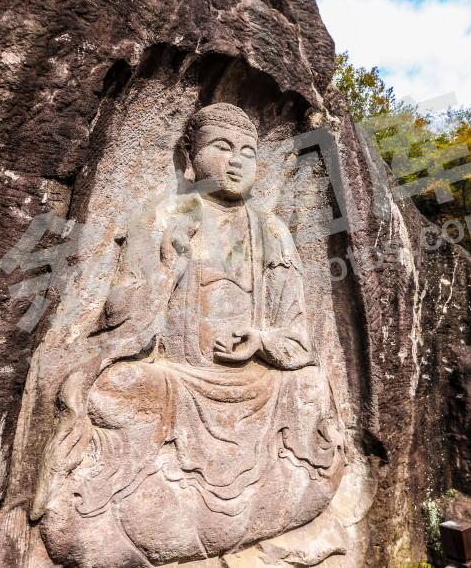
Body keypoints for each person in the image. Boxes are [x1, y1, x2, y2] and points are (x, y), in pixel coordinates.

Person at [33, 103, 345, 566]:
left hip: (259, 384)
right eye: (222, 147)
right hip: (178, 380)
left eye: (247, 152)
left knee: (310, 385)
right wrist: (166, 263)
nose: (237, 161)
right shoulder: (163, 217)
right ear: (190, 157)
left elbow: (296, 328)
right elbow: (120, 315)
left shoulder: (273, 231)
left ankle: (265, 500)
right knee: (117, 389)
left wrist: (261, 340)